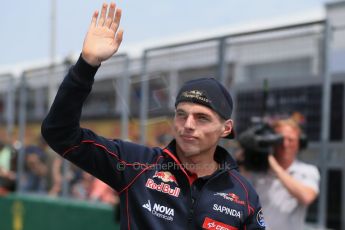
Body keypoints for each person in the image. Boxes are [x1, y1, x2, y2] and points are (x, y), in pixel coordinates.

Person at [41, 2, 265, 229]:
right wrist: (87, 65)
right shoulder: (135, 164)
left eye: (202, 118)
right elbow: (60, 133)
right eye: (181, 114)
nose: (188, 125)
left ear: (226, 128)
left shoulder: (243, 195)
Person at [238, 118, 320, 230]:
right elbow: (239, 194)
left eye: (290, 140)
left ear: (299, 143)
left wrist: (274, 166)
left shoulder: (307, 171)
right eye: (280, 140)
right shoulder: (257, 169)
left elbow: (306, 197)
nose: (285, 144)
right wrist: (244, 157)